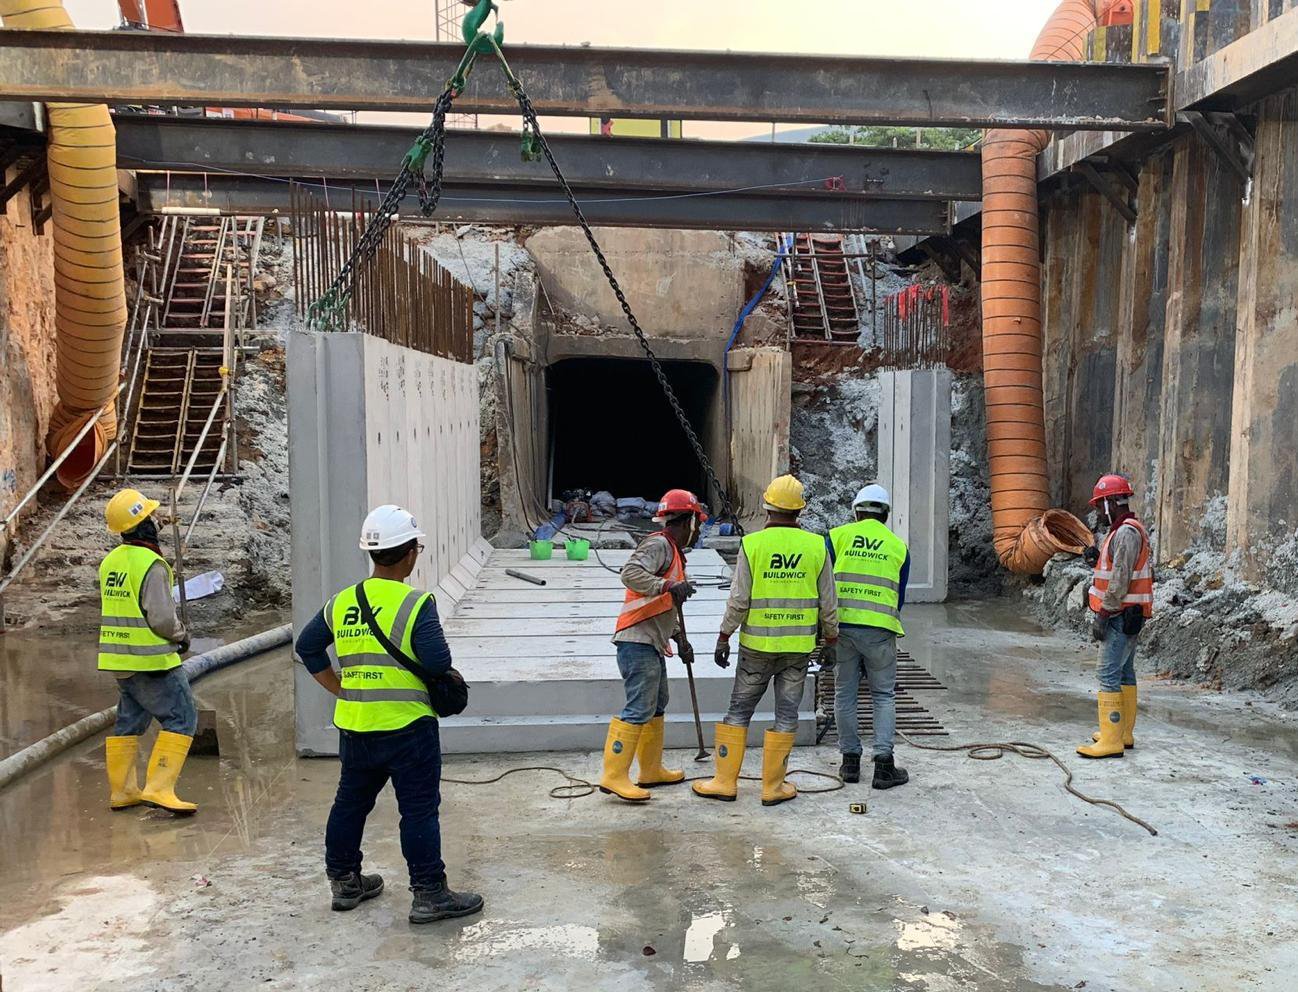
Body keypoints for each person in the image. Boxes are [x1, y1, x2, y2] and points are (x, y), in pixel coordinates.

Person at [294, 504, 483, 923]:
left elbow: (307, 646)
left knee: (350, 803)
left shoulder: (342, 601)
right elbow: (438, 661)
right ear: (411, 553)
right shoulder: (415, 603)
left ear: (372, 552)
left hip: (356, 726)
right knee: (418, 810)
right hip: (407, 726)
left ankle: (345, 882)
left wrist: (339, 688)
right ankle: (429, 893)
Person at [694, 475, 837, 806]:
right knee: (786, 715)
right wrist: (831, 640)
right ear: (800, 510)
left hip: (756, 648)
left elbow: (739, 599)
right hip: (797, 650)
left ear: (767, 507)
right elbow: (828, 602)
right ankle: (773, 787)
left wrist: (724, 635)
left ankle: (724, 782)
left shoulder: (753, 544)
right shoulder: (816, 546)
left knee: (738, 711)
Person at [598, 488, 706, 802]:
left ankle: (651, 770)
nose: (698, 531)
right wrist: (666, 584)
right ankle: (613, 776)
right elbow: (630, 574)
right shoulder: (658, 544)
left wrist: (680, 639)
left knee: (658, 703)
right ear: (688, 521)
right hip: (636, 640)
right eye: (698, 524)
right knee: (639, 707)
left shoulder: (674, 553)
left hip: (651, 641)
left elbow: (664, 605)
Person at [100, 488, 197, 815]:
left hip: (120, 660)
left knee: (130, 720)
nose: (157, 519)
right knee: (182, 717)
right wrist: (181, 635)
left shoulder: (111, 562)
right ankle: (159, 789)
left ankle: (123, 791)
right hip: (152, 661)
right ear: (142, 523)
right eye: (151, 515)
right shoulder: (151, 564)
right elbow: (161, 618)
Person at [827, 484, 911, 790]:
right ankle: (884, 767)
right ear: (886, 515)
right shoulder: (898, 547)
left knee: (844, 694)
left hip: (842, 629)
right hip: (880, 630)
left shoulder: (836, 538)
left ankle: (850, 763)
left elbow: (824, 585)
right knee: (883, 695)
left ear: (856, 512)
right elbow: (898, 597)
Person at [1078, 474, 1154, 760]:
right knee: (1124, 672)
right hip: (1127, 613)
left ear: (1111, 502)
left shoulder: (1125, 533)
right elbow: (1116, 569)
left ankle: (1111, 740)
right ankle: (1122, 733)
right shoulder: (1124, 531)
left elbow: (1120, 580)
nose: (1098, 511)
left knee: (1107, 674)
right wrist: (1095, 558)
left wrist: (1104, 614)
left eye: (1100, 505)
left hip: (1120, 614)